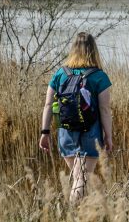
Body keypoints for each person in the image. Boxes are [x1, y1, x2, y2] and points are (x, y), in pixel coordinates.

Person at [39, 32, 114, 201]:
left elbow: (48, 105)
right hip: (91, 134)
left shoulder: (61, 73)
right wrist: (108, 136)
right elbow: (104, 109)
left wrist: (45, 132)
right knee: (82, 178)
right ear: (93, 50)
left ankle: (78, 212)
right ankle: (73, 212)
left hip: (66, 133)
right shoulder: (99, 76)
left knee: (78, 177)